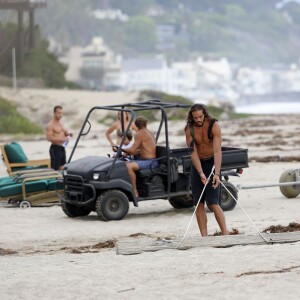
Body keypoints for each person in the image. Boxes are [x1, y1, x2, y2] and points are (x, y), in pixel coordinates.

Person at [185, 103, 229, 236]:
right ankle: (205, 237)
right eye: (195, 118)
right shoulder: (189, 129)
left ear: (205, 114)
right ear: (191, 117)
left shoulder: (214, 126)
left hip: (212, 162)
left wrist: (216, 173)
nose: (198, 120)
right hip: (198, 164)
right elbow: (192, 152)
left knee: (213, 203)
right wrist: (200, 172)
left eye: (200, 117)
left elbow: (217, 151)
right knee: (198, 203)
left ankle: (225, 234)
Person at [121, 116, 157, 198]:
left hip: (150, 162)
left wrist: (121, 149)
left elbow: (132, 149)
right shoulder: (148, 132)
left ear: (136, 125)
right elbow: (141, 149)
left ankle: (134, 191)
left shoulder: (140, 133)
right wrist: (125, 152)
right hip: (148, 160)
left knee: (128, 166)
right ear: (145, 124)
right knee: (124, 163)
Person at [46, 105, 72, 170]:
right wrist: (62, 139)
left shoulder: (61, 123)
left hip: (62, 148)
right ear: (54, 113)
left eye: (61, 113)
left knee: (63, 168)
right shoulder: (50, 125)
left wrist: (68, 134)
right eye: (59, 113)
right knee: (55, 169)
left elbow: (65, 133)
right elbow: (49, 138)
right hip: (55, 149)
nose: (60, 115)